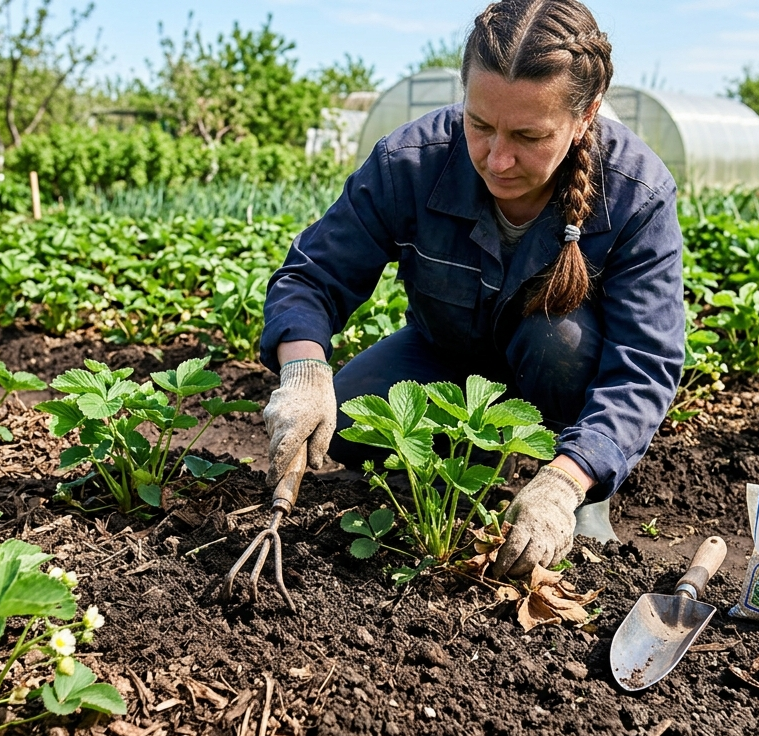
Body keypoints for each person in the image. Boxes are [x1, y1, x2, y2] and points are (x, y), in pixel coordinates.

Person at [259, 0, 684, 579]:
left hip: (557, 371)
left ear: (586, 117)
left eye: (529, 135)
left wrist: (568, 479)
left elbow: (644, 363)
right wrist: (304, 371)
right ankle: (473, 461)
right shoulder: (412, 162)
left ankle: (576, 486)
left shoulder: (636, 193)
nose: (497, 157)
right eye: (479, 124)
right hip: (446, 353)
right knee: (350, 420)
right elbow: (313, 275)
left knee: (558, 340)